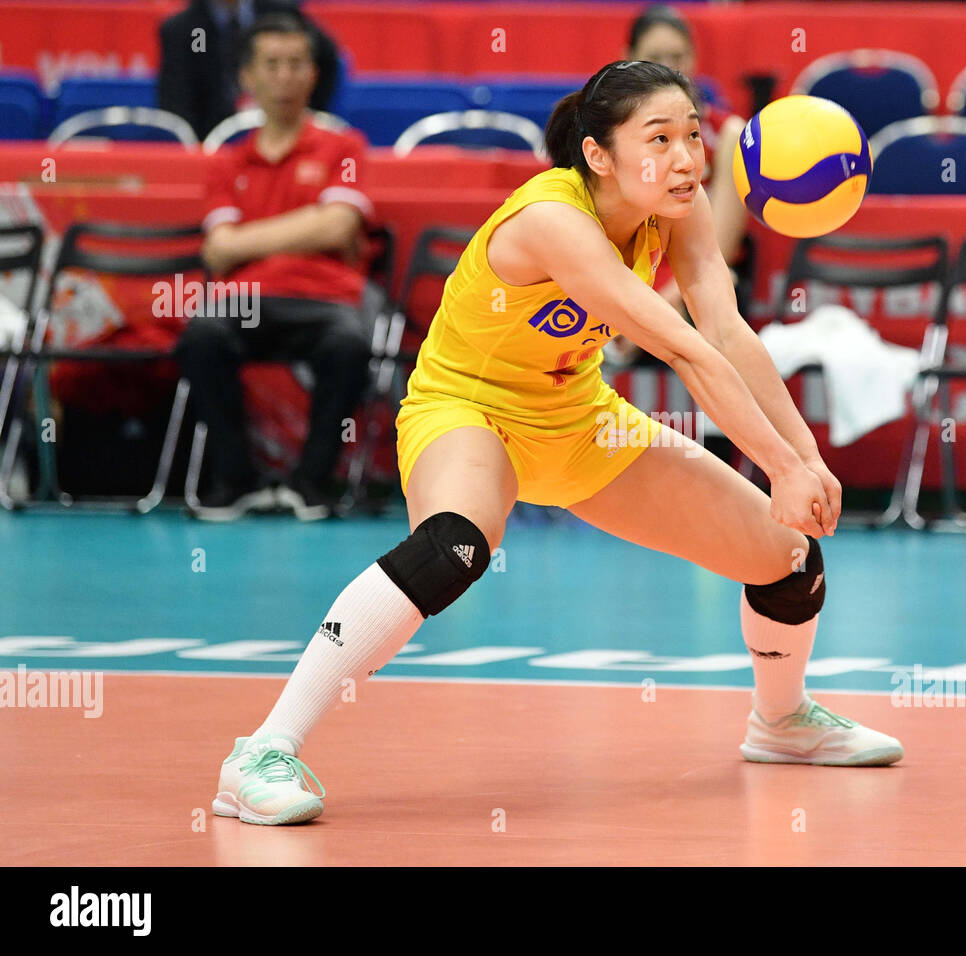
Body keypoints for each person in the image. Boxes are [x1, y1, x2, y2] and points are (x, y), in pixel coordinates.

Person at [211, 59, 903, 826]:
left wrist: (804, 461)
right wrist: (781, 464)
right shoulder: (551, 219)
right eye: (660, 138)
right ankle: (262, 751)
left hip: (578, 419)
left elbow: (728, 332)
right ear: (599, 155)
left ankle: (782, 722)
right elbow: (681, 350)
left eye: (694, 136)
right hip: (468, 409)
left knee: (787, 551)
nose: (686, 157)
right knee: (454, 545)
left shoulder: (680, 204)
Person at [178, 13, 375, 521]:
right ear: (248, 77)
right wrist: (308, 221)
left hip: (325, 299)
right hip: (243, 301)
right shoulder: (227, 161)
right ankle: (235, 481)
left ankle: (312, 485)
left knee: (350, 345)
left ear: (313, 74)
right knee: (201, 337)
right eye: (272, 64)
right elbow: (217, 252)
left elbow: (338, 229)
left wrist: (249, 237)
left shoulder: (344, 148)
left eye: (295, 64)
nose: (284, 76)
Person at [605, 5, 751, 367]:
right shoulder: (610, 137)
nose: (668, 69)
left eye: (677, 57)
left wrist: (659, 310)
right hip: (626, 274)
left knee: (717, 286)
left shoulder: (729, 134)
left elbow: (715, 253)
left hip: (691, 279)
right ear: (629, 60)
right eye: (655, 58)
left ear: (694, 59)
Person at [158, 0, 340, 142]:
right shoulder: (184, 29)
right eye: (272, 64)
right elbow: (177, 103)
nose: (284, 75)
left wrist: (301, 112)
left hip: (287, 131)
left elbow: (325, 60)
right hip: (213, 140)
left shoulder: (282, 11)